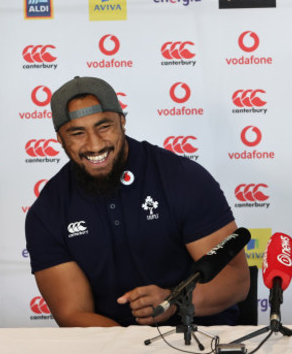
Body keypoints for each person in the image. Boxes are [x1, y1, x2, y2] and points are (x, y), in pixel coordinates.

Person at [25, 76, 250, 327]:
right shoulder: (47, 211)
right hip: (111, 344)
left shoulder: (181, 177)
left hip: (198, 336)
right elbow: (73, 313)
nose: (95, 144)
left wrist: (174, 301)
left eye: (104, 126)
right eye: (77, 133)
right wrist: (131, 346)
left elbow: (236, 280)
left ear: (122, 121)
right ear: (59, 138)